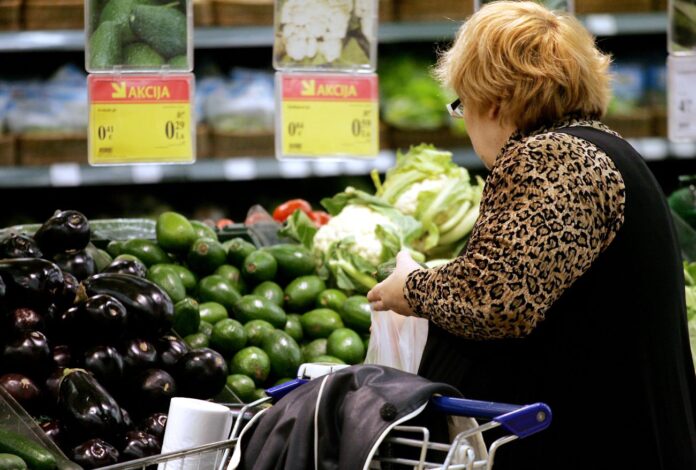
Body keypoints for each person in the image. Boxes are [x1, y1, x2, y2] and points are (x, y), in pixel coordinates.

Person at [366, 2, 696, 469]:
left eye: (462, 105)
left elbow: (497, 300)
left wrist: (412, 288)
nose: (465, 120)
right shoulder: (604, 148)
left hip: (597, 442)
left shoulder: (552, 158)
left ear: (494, 102)